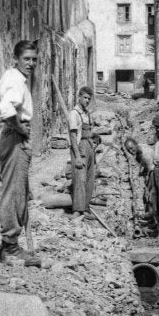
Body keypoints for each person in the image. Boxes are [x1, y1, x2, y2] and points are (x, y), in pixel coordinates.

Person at [0, 39, 41, 264]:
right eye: (26, 59)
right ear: (16, 59)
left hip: (13, 135)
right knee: (14, 192)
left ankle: (11, 244)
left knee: (18, 190)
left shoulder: (14, 77)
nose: (31, 63)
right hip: (14, 136)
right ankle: (10, 246)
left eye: (34, 59)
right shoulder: (15, 81)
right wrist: (21, 129)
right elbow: (6, 108)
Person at [68, 86, 99, 219]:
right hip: (80, 147)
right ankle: (77, 210)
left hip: (89, 145)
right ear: (79, 97)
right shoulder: (74, 114)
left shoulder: (87, 113)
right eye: (85, 98)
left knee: (90, 178)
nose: (87, 101)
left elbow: (90, 131)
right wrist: (78, 156)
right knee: (79, 178)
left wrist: (95, 140)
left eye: (88, 99)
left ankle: (85, 209)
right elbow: (73, 136)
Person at [124, 136, 155, 230]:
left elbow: (152, 171)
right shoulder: (138, 151)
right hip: (151, 171)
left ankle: (153, 222)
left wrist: (148, 186)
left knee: (151, 197)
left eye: (132, 148)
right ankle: (150, 218)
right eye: (128, 149)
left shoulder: (146, 153)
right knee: (147, 197)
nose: (131, 151)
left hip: (156, 172)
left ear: (136, 144)